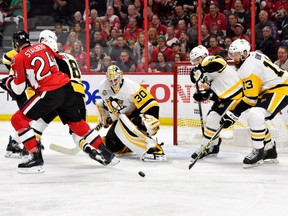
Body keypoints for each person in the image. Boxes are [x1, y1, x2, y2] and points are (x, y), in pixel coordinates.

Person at [0, 30, 119, 173]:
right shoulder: (44, 47)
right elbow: (61, 63)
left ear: (15, 45)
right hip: (67, 88)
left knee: (18, 120)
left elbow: (19, 89)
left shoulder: (19, 57)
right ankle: (107, 153)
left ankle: (34, 157)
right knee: (77, 124)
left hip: (50, 92)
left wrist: (7, 83)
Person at [220, 39, 283, 168]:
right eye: (231, 55)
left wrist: (234, 112)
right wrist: (234, 112)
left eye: (235, 55)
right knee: (255, 118)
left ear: (244, 53)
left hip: (281, 88)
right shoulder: (254, 55)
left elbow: (251, 99)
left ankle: (258, 151)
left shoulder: (247, 69)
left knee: (255, 115)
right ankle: (269, 150)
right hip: (271, 87)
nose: (233, 58)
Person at [96, 64, 166, 161]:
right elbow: (107, 104)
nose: (113, 83)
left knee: (130, 125)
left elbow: (151, 104)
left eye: (115, 80)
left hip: (134, 116)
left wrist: (150, 120)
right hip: (121, 119)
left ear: (120, 77)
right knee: (112, 145)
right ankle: (127, 146)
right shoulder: (103, 87)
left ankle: (153, 148)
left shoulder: (131, 87)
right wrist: (108, 118)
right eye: (110, 81)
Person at [189, 45, 243, 160]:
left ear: (204, 56)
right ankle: (214, 146)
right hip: (225, 98)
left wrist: (202, 68)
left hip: (236, 96)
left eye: (197, 59)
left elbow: (221, 63)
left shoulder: (209, 60)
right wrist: (204, 95)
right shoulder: (203, 74)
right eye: (193, 61)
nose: (196, 63)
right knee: (211, 119)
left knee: (213, 119)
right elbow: (213, 92)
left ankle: (204, 147)